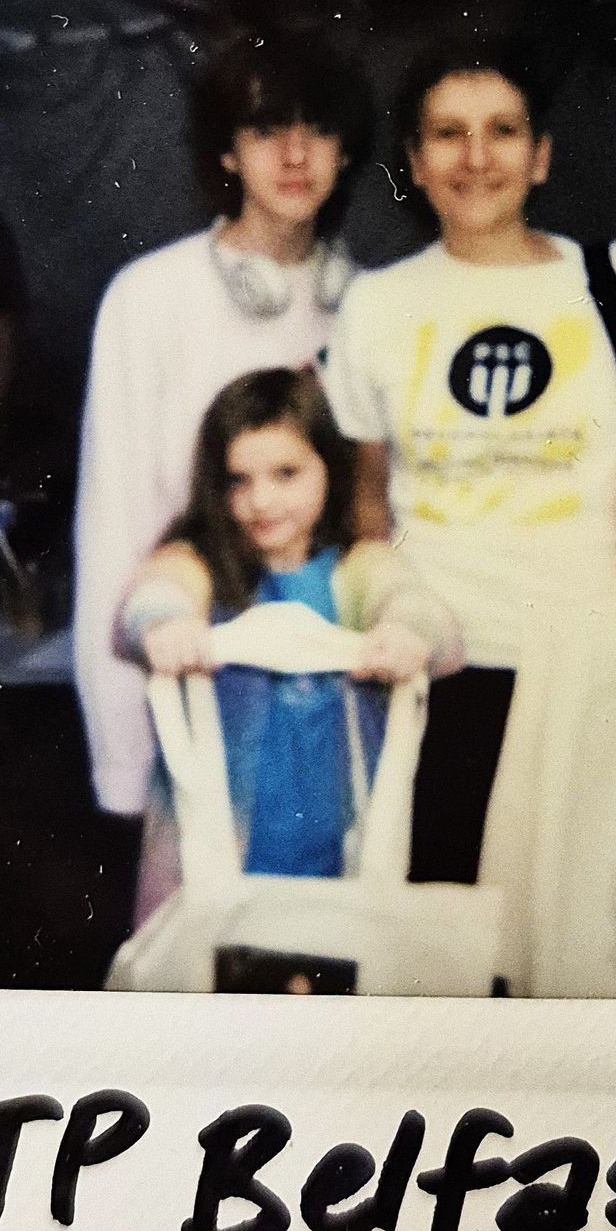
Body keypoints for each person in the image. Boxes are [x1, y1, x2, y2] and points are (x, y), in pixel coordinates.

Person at [325, 29, 616, 883]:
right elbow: (368, 500)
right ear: (416, 162)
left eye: (503, 131)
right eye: (448, 133)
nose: (477, 157)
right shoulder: (376, 306)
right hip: (445, 668)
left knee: (584, 930)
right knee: (448, 930)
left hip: (600, 663)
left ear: (540, 158)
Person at [74, 28, 372, 820]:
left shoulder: (372, 305)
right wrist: (124, 759)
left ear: (347, 154)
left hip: (339, 701)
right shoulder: (150, 297)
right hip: (197, 685)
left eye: (320, 130)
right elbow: (113, 529)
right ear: (228, 153)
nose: (297, 154)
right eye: (268, 129)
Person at [120, 366, 463, 913]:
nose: (262, 500)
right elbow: (155, 594)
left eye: (286, 473)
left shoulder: (356, 566)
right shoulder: (201, 563)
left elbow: (423, 613)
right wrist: (167, 624)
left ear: (330, 467)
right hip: (218, 850)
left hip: (335, 846)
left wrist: (406, 632)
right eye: (239, 480)